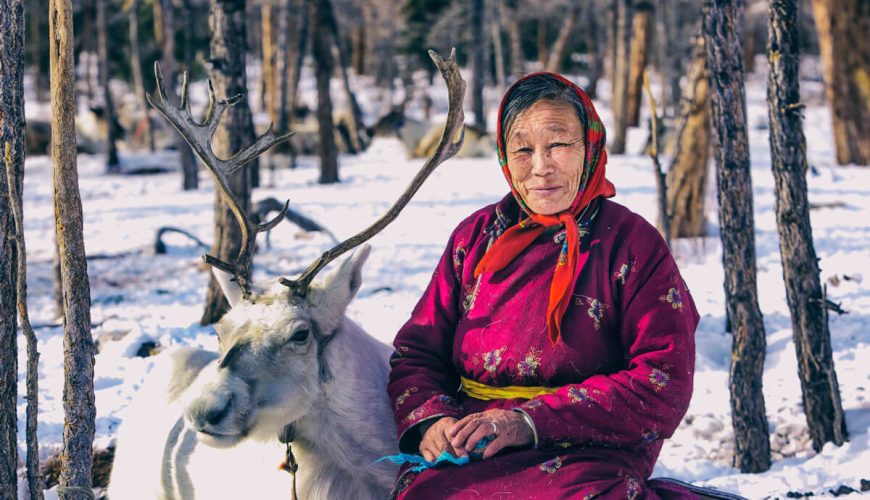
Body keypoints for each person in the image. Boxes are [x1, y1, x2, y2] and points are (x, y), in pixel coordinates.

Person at [387, 72, 700, 499]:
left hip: (587, 450)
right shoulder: (474, 238)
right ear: (503, 155)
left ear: (589, 146)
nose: (540, 167)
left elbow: (662, 380)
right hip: (473, 445)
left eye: (558, 145)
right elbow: (417, 352)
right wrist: (433, 422)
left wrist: (529, 422)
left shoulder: (631, 244)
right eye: (522, 149)